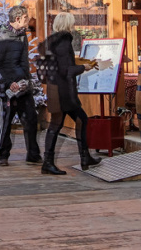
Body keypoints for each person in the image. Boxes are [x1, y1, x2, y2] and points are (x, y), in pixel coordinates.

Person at [41, 12, 102, 175]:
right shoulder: (64, 42)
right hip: (63, 91)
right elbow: (66, 70)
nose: (74, 26)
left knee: (63, 123)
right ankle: (54, 162)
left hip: (55, 88)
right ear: (67, 24)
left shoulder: (52, 41)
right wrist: (84, 67)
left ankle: (81, 158)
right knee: (71, 121)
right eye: (72, 23)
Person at [0, 5, 41, 167]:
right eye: (26, 18)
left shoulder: (22, 35)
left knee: (31, 119)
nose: (28, 20)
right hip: (8, 88)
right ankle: (3, 155)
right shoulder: (1, 35)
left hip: (23, 85)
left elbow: (23, 61)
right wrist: (7, 83)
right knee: (6, 122)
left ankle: (33, 155)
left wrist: (27, 80)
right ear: (17, 19)